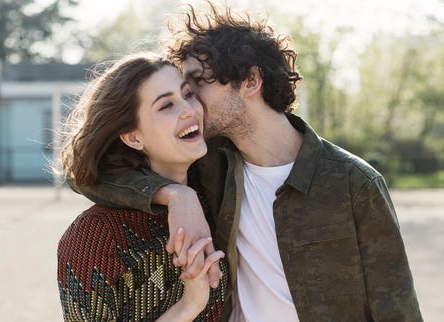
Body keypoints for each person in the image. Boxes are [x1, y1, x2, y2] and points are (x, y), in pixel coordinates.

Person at [74, 2, 423, 321]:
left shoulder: (354, 183)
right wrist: (175, 195)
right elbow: (89, 174)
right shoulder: (209, 167)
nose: (190, 102)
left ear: (251, 81)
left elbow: (397, 310)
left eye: (196, 84)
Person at [56, 53, 228, 321]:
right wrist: (190, 304)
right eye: (166, 106)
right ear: (133, 137)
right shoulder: (95, 235)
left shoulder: (218, 202)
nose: (189, 110)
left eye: (187, 95)